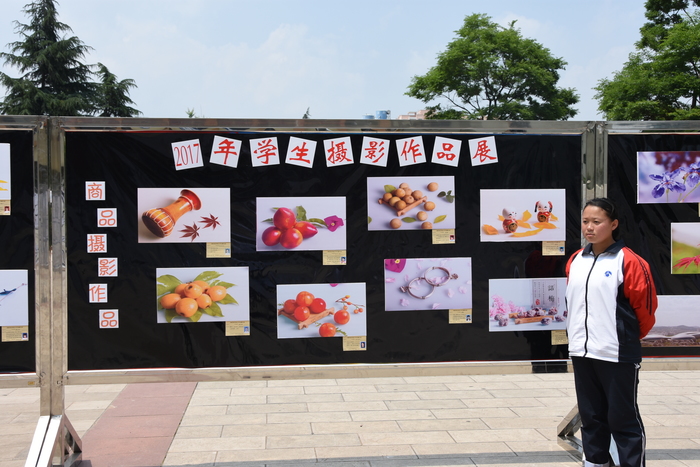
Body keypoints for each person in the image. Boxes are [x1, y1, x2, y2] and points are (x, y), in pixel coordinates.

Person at [565, 198, 657, 467]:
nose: (589, 227)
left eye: (597, 222)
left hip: (616, 353)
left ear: (613, 224)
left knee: (623, 419)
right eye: (585, 221)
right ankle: (595, 463)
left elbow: (645, 310)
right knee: (591, 418)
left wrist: (623, 337)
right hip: (582, 351)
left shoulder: (629, 261)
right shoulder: (575, 260)